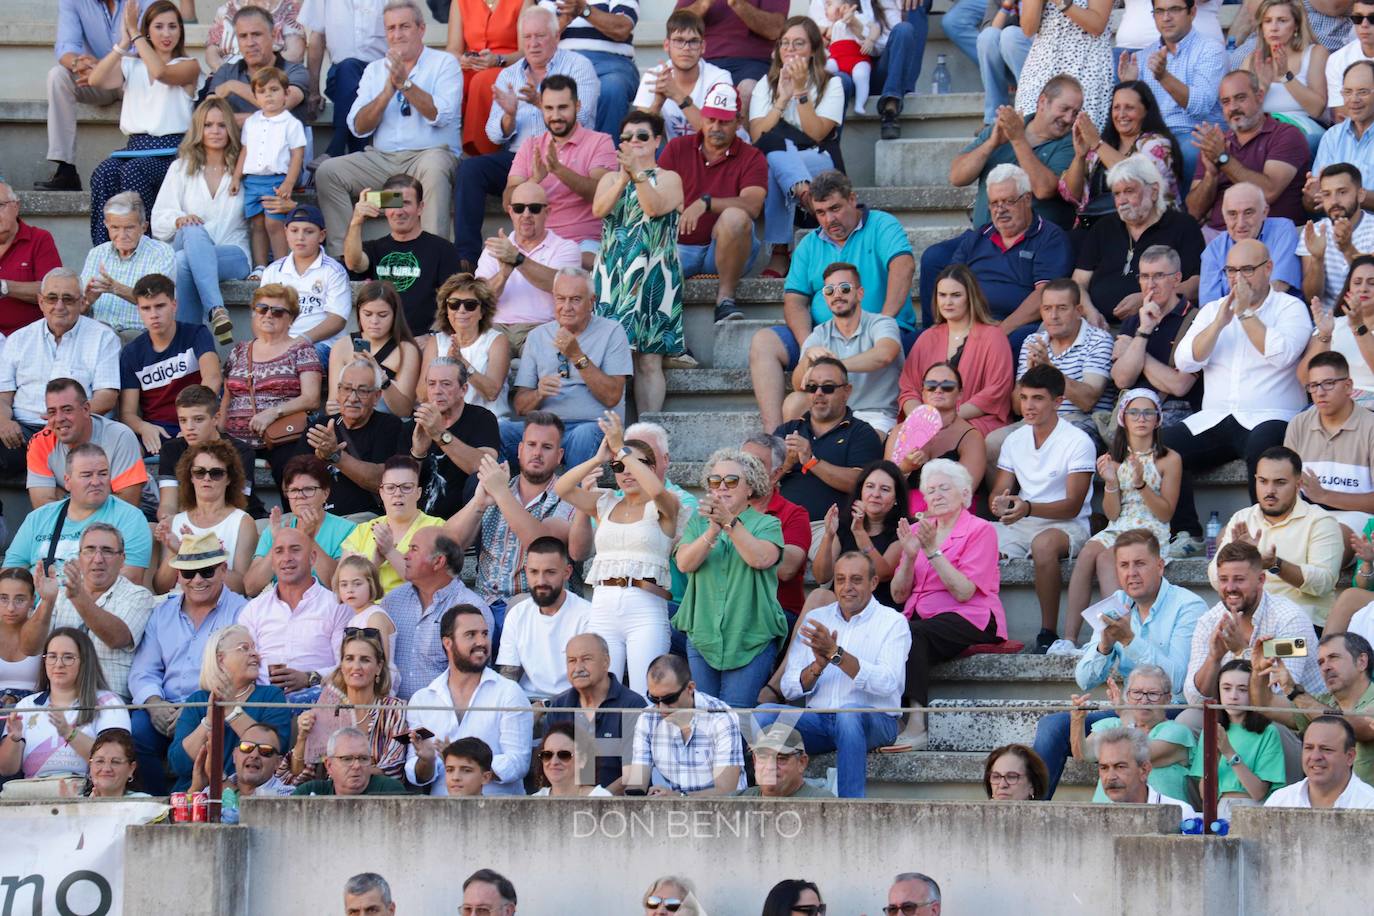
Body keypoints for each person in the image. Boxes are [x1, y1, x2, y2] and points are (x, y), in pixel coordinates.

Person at [1033, 529, 1206, 797]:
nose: (1131, 573)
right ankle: (1031, 810)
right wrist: (1104, 646)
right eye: (1124, 565)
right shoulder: (1116, 604)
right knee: (1052, 727)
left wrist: (1129, 640)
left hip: (1168, 711)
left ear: (1160, 566)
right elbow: (1084, 680)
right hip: (1127, 712)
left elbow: (1178, 680)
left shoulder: (1188, 606)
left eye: (1140, 564)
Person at [1165, 238, 1312, 551]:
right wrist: (1219, 323)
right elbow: (1185, 361)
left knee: (1263, 446)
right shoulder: (1213, 310)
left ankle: (1264, 538)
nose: (1238, 278)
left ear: (1268, 269)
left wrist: (1245, 314)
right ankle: (1186, 534)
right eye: (1231, 271)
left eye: (1247, 269)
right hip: (1216, 417)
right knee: (1163, 445)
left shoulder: (1290, 308)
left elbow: (1282, 355)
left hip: (1272, 415)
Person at [751, 170, 916, 432]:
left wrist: (881, 322)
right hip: (827, 336)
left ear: (852, 199)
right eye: (820, 212)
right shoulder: (809, 244)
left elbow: (903, 266)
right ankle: (774, 438)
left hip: (878, 330)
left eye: (835, 208)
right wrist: (810, 348)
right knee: (763, 342)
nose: (829, 219)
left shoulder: (881, 224)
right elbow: (794, 300)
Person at [451, 7, 601, 267]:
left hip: (566, 155)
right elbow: (494, 133)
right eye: (527, 37)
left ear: (556, 36)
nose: (533, 44)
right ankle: (466, 258)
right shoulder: (509, 74)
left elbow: (583, 116)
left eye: (540, 36)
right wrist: (509, 116)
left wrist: (540, 102)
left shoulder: (578, 65)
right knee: (470, 170)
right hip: (519, 157)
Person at [313, 0, 461, 257]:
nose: (397, 34)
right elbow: (358, 126)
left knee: (435, 167)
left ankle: (433, 261)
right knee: (328, 172)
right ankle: (344, 259)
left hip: (428, 157)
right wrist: (386, 94)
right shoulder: (374, 70)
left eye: (404, 26)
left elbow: (440, 115)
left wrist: (405, 85)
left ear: (422, 29)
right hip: (383, 165)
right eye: (391, 28)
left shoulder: (444, 63)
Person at [757, 550, 909, 796]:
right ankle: (765, 796)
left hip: (875, 722)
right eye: (840, 579)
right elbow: (788, 688)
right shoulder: (816, 618)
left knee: (848, 715)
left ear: (873, 583)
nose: (847, 587)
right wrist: (817, 667)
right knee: (763, 715)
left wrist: (837, 655)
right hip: (819, 722)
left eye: (856, 580)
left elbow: (888, 683)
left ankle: (850, 807)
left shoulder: (893, 622)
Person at [884, 459, 1004, 751]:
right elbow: (898, 595)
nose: (935, 495)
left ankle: (916, 723)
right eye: (930, 490)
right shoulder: (919, 531)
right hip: (921, 616)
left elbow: (964, 591)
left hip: (971, 616)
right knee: (887, 631)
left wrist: (931, 551)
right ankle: (888, 721)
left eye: (944, 488)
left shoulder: (980, 530)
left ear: (964, 494)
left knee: (913, 633)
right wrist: (909, 556)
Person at [554, 414, 678, 694]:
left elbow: (657, 490)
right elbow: (562, 488)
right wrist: (599, 458)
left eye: (636, 464)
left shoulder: (666, 504)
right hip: (603, 604)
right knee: (600, 692)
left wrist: (621, 448)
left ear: (652, 468)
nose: (627, 471)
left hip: (645, 606)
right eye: (619, 466)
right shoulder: (605, 502)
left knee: (645, 692)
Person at [127, 532, 246, 794]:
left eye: (207, 571)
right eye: (189, 573)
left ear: (223, 570)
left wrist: (196, 707)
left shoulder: (241, 611)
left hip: (211, 704)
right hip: (165, 705)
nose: (197, 580)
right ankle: (157, 803)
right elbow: (144, 670)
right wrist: (154, 704)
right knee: (137, 732)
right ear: (178, 575)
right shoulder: (161, 613)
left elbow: (240, 673)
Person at [989, 365, 1096, 652]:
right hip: (1024, 518)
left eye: (1038, 398)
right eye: (1024, 397)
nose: (1028, 406)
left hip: (1068, 525)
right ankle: (982, 629)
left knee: (1044, 545)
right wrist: (999, 504)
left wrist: (1027, 508)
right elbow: (1000, 490)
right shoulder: (1014, 439)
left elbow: (1073, 506)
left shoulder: (1078, 441)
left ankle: (1047, 632)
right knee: (974, 538)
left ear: (1058, 401)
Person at [673, 449, 787, 708]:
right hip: (702, 636)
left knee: (736, 717)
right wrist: (712, 531)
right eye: (715, 481)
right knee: (703, 717)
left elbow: (760, 558)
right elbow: (684, 563)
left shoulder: (767, 524)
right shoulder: (698, 524)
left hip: (751, 637)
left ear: (750, 488)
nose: (722, 487)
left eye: (731, 481)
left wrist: (729, 523)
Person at [85, 0, 202, 248]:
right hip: (135, 148)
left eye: (172, 26)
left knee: (134, 171)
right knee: (104, 173)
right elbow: (96, 79)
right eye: (159, 27)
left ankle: (145, 248)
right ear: (148, 31)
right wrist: (123, 42)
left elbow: (161, 73)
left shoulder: (188, 65)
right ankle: (104, 250)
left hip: (172, 152)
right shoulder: (131, 65)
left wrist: (135, 33)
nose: (166, 34)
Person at [1066, 391, 1181, 640]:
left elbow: (1165, 513)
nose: (1141, 418)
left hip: (1150, 527)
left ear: (1158, 420)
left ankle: (1118, 635)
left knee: (1107, 558)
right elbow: (1112, 513)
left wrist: (1140, 484)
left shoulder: (1169, 459)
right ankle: (1068, 639)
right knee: (1087, 554)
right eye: (1134, 413)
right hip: (1119, 524)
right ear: (1123, 418)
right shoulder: (1115, 459)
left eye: (1148, 412)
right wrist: (1110, 482)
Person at [592, 110, 686, 413]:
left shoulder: (670, 178)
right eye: (627, 137)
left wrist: (638, 174)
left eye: (642, 136)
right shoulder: (610, 178)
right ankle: (611, 429)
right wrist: (623, 178)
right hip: (614, 275)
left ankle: (648, 428)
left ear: (657, 141)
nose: (635, 141)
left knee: (648, 359)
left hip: (654, 274)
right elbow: (599, 210)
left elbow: (653, 207)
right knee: (611, 357)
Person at [658, 82, 768, 324]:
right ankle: (662, 333)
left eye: (724, 121)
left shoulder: (752, 156)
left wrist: (706, 203)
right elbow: (657, 195)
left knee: (736, 217)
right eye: (710, 119)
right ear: (702, 117)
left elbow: (752, 206)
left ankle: (725, 300)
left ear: (739, 121)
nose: (715, 127)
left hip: (726, 250)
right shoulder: (677, 147)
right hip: (680, 248)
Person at [503, 268, 633, 468]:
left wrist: (577, 355)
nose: (566, 307)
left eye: (575, 300)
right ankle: (503, 488)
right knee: (500, 431)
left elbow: (612, 396)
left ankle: (575, 490)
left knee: (584, 435)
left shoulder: (613, 332)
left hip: (592, 425)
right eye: (560, 299)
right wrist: (539, 394)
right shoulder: (537, 336)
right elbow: (520, 407)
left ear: (591, 301)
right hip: (546, 428)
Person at [446, 413, 575, 614]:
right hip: (484, 605)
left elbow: (543, 544)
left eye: (547, 447)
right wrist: (478, 504)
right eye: (531, 445)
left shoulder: (568, 495)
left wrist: (501, 493)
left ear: (559, 456)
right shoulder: (499, 487)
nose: (537, 453)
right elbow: (446, 545)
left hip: (535, 607)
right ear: (520, 450)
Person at [748, 17, 845, 278]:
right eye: (785, 43)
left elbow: (817, 133)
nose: (789, 49)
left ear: (813, 50)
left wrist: (801, 91)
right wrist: (781, 99)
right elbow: (757, 136)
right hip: (782, 160)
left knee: (774, 158)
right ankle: (803, 193)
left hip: (818, 157)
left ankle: (780, 252)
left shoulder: (831, 83)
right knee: (771, 149)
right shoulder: (765, 84)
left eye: (798, 43)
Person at [0, 269, 122, 477]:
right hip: (23, 431)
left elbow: (106, 398)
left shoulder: (103, 337)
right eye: (51, 298)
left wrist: (64, 419)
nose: (59, 306)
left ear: (82, 302)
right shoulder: (19, 339)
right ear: (41, 302)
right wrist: (4, 422)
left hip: (76, 431)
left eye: (68, 299)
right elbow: (3, 396)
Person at [17, 521, 155, 706]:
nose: (98, 559)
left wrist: (78, 596)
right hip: (59, 699)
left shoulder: (138, 595)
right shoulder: (58, 593)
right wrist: (47, 603)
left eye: (107, 551)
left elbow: (117, 638)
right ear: (79, 557)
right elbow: (29, 647)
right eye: (90, 550)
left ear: (122, 559)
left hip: (108, 703)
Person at [1207, 447, 1343, 630]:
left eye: (1280, 483)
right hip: (1247, 621)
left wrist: (1275, 565)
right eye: (1263, 481)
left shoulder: (1320, 521)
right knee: (1209, 629)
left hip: (1300, 624)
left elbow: (1323, 583)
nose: (1270, 491)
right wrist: (1238, 557)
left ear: (1298, 484)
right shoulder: (1242, 518)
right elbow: (1215, 578)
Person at [404, 604, 533, 795]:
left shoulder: (509, 693)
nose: (481, 641)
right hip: (442, 809)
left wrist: (458, 759)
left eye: (485, 634)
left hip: (498, 808)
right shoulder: (423, 699)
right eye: (471, 635)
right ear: (448, 643)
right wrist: (427, 761)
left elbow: (518, 763)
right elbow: (415, 773)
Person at [988, 279, 1114, 471]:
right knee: (992, 443)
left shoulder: (1099, 340)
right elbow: (1017, 408)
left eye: (1062, 308)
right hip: (1036, 419)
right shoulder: (1033, 341)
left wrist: (1049, 369)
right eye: (1047, 309)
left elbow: (1088, 401)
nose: (1053, 316)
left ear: (1078, 310)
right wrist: (1029, 377)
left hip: (1080, 421)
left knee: (1054, 443)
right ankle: (1005, 492)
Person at [149, 100, 247, 339]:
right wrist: (179, 220)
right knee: (191, 229)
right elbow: (159, 220)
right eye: (208, 125)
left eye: (222, 125)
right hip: (188, 240)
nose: (215, 131)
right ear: (198, 130)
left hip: (233, 253)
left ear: (231, 129)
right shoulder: (180, 168)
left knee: (183, 261)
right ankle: (216, 309)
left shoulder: (244, 168)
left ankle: (187, 343)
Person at [1185, 541, 1324, 706]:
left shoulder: (1290, 619)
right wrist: (1214, 659)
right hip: (1232, 713)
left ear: (1261, 580)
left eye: (1239, 579)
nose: (1230, 588)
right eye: (1223, 579)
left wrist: (1241, 650)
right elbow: (1195, 700)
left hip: (1297, 716)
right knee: (1188, 718)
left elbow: (1280, 694)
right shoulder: (1210, 621)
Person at [503, 74, 618, 272]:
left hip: (584, 243)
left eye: (563, 107)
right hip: (535, 242)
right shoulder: (530, 145)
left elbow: (602, 194)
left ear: (577, 106)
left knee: (571, 266)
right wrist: (534, 179)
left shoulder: (600, 142)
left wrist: (559, 170)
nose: (555, 115)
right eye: (549, 108)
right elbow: (507, 201)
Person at [1072, 155, 1205, 324]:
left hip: (1158, 324)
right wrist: (1090, 312)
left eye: (1129, 191)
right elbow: (1078, 282)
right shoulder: (1104, 227)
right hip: (1098, 326)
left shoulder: (1182, 226)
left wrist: (1147, 299)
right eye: (1117, 194)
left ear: (1154, 192)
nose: (1122, 201)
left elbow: (1196, 285)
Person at [40, 0, 155, 192]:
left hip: (134, 79)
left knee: (145, 70)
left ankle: (150, 159)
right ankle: (66, 169)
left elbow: (148, 50)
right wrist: (79, 64)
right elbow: (66, 48)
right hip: (93, 80)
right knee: (57, 76)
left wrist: (102, 66)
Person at [947, 75, 1081, 235]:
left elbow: (1044, 190)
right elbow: (957, 177)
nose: (1069, 119)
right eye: (1064, 109)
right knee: (936, 251)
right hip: (983, 237)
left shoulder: (1071, 143)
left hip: (1034, 241)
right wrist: (991, 144)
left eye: (1075, 113)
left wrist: (1017, 139)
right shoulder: (1005, 128)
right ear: (1043, 101)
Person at [773, 357, 885, 548]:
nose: (818, 393)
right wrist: (787, 464)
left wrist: (811, 461)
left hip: (832, 529)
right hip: (782, 525)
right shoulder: (787, 429)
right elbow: (759, 483)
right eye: (812, 387)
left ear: (847, 391)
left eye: (828, 388)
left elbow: (861, 483)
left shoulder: (862, 433)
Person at [3, 444, 153, 584]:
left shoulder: (130, 517)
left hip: (96, 602)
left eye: (103, 474)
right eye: (87, 475)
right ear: (67, 481)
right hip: (37, 601)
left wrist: (71, 595)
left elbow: (130, 579)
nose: (96, 482)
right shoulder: (38, 517)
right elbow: (10, 574)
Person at [221, 283, 323, 488]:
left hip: (283, 438)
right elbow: (227, 395)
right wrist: (220, 430)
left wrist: (272, 413)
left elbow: (311, 399)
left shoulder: (301, 350)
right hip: (236, 440)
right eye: (262, 308)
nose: (268, 315)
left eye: (277, 311)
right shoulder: (239, 350)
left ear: (291, 319)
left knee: (293, 476)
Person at [1185, 70, 1310, 236]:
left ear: (1259, 96)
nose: (1233, 107)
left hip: (1269, 234)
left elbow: (1268, 193)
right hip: (1219, 236)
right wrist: (1211, 175)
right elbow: (1193, 212)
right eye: (1226, 102)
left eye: (1240, 98)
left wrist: (1223, 159)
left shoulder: (1286, 134)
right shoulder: (1217, 143)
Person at [168, 624, 292, 791]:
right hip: (197, 794)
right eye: (244, 648)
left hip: (252, 795)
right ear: (220, 659)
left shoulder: (271, 696)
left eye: (254, 648)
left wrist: (231, 711)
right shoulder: (198, 700)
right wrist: (208, 722)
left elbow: (276, 749)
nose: (255, 653)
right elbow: (178, 764)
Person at [783, 262, 902, 435]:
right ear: (825, 298)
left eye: (845, 288)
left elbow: (884, 355)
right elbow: (798, 384)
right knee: (794, 401)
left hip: (876, 415)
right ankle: (793, 452)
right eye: (830, 290)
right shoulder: (820, 333)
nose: (837, 295)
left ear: (860, 293)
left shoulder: (882, 323)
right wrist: (808, 358)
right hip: (833, 413)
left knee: (865, 440)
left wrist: (834, 367)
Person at [1118, 0, 1227, 183]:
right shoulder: (1143, 57)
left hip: (1193, 133)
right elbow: (1136, 116)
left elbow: (1200, 106)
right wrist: (1130, 85)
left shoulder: (1211, 50)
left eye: (1174, 10)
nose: (1166, 18)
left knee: (1184, 153)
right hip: (1154, 136)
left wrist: (1163, 76)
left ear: (1192, 12)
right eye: (1159, 11)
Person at [239, 526, 352, 702]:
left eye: (295, 549)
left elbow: (348, 666)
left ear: (312, 558)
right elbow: (241, 664)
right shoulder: (254, 609)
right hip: (264, 703)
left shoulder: (337, 606)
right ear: (272, 561)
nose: (287, 558)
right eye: (279, 551)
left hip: (319, 701)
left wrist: (309, 678)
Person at [0, 628, 130, 781]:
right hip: (35, 790)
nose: (58, 664)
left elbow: (114, 760)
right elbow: (6, 769)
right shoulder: (27, 705)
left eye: (68, 657)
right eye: (52, 656)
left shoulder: (109, 702)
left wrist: (69, 733)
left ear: (85, 661)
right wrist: (14, 739)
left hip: (88, 790)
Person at [1059, 81, 1184, 236]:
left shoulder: (1156, 144)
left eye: (1129, 107)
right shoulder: (1101, 147)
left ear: (1146, 111)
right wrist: (1080, 156)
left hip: (1149, 230)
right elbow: (1070, 194)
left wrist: (1097, 143)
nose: (1121, 114)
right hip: (1096, 229)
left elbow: (1135, 179)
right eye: (1116, 107)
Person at [342, 175, 463, 335]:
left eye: (406, 203)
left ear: (420, 207)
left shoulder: (442, 249)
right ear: (385, 209)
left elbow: (455, 301)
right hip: (380, 338)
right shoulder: (374, 248)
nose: (398, 212)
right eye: (393, 203)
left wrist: (432, 337)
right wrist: (356, 221)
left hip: (421, 338)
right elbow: (353, 263)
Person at [471, 185, 582, 354]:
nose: (526, 214)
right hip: (495, 327)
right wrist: (503, 275)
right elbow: (479, 298)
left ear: (547, 212)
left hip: (542, 327)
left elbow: (563, 285)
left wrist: (518, 260)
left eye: (534, 208)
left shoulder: (566, 248)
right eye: (519, 208)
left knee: (544, 360)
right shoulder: (495, 248)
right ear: (510, 212)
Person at [903, 268, 1014, 438]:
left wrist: (946, 418)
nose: (948, 302)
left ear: (970, 297)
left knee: (946, 437)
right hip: (928, 423)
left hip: (976, 421)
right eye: (942, 295)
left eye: (956, 295)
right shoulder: (927, 337)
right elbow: (908, 388)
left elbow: (997, 390)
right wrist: (921, 419)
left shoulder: (993, 336)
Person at [118, 273, 221, 453]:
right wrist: (143, 427)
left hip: (196, 423)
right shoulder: (132, 352)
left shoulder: (197, 334)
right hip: (157, 429)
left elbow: (212, 378)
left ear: (174, 305)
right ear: (139, 310)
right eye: (146, 308)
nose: (154, 315)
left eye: (160, 306)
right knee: (127, 451)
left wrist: (190, 423)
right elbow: (128, 413)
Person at [383, 528, 490, 700]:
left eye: (414, 549)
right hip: (392, 713)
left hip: (443, 713)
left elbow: (476, 676)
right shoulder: (393, 601)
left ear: (438, 561)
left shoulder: (472, 610)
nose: (405, 556)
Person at [1253, 632, 1374, 783]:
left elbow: (1356, 727)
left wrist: (1294, 692)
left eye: (1334, 657)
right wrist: (1259, 671)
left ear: (1362, 661)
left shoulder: (1311, 703)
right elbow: (1266, 704)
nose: (1325, 667)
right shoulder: (1319, 702)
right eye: (1321, 662)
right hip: (1327, 796)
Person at [288, 628, 406, 783]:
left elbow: (394, 769)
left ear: (378, 667)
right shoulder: (327, 709)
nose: (356, 666)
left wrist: (346, 773)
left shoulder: (393, 709)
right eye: (349, 659)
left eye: (365, 660)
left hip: (377, 794)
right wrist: (302, 738)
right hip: (330, 794)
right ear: (342, 665)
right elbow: (297, 776)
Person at [1109, 246, 1203, 430]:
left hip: (1176, 412)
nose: (1150, 284)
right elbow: (1122, 379)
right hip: (1132, 409)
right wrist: (1144, 330)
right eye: (1144, 276)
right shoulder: (1134, 319)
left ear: (1177, 279)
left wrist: (1135, 350)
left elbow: (1179, 386)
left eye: (1159, 276)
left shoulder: (1197, 320)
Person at [1071, 665, 1196, 804]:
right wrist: (1077, 720)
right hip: (1106, 812)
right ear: (1127, 696)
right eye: (1137, 692)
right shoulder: (1110, 725)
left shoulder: (1176, 731)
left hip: (1161, 813)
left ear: (1168, 699)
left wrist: (1125, 715)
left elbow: (1137, 754)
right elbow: (1084, 754)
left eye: (1153, 694)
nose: (1144, 700)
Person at [625, 653, 746, 795]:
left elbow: (726, 791)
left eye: (669, 699)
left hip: (726, 808)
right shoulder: (647, 718)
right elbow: (637, 782)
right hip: (674, 806)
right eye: (654, 699)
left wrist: (678, 798)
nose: (661, 708)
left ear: (690, 688)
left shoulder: (722, 717)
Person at [545, 631, 648, 791]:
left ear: (606, 662)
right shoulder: (559, 706)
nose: (578, 668)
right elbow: (549, 766)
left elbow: (635, 774)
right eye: (572, 661)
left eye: (586, 659)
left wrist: (597, 800)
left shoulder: (632, 705)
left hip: (619, 804)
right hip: (569, 802)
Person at [307, 359, 407, 521]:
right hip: (316, 515)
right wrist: (318, 460)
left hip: (364, 518)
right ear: (338, 392)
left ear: (377, 396)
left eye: (363, 391)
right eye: (347, 389)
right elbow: (290, 481)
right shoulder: (319, 426)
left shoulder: (389, 426)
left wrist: (335, 455)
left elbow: (383, 481)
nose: (353, 398)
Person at [1286, 351, 1374, 534]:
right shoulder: (1299, 424)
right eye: (1313, 385)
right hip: (1305, 517)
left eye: (1328, 383)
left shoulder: (1370, 426)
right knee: (1232, 531)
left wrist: (1324, 496)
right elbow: (1286, 486)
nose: (1320, 392)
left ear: (1348, 386)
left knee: (1326, 535)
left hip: (1360, 518)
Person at [231, 66, 307, 274]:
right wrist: (237, 177)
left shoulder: (291, 123)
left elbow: (297, 155)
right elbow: (245, 151)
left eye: (274, 90)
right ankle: (260, 267)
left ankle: (281, 266)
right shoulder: (252, 122)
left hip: (276, 180)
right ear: (255, 96)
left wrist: (289, 182)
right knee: (257, 225)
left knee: (274, 223)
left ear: (286, 93)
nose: (268, 95)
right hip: (252, 180)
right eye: (262, 91)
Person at [29, 378, 148, 509]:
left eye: (67, 410)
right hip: (83, 516)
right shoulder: (40, 442)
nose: (59, 419)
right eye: (52, 412)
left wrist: (68, 498)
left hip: (142, 512)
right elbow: (43, 507)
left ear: (86, 409)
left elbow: (127, 506)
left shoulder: (120, 436)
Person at [495, 537, 591, 699]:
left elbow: (590, 682)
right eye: (534, 572)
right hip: (526, 702)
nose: (541, 581)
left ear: (567, 572)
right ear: (526, 571)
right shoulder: (517, 614)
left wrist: (546, 706)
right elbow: (508, 676)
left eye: (550, 572)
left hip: (573, 704)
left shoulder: (587, 615)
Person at [409, 357, 502, 519]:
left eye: (446, 384)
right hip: (415, 520)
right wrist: (417, 454)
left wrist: (440, 434)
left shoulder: (482, 418)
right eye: (431, 384)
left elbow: (484, 466)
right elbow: (399, 484)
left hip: (461, 522)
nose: (437, 391)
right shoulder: (415, 424)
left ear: (463, 390)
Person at [244, 455, 351, 596]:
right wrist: (277, 544)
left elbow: (339, 586)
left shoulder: (347, 530)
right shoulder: (276, 529)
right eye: (294, 490)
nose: (300, 496)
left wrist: (309, 539)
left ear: (325, 493)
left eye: (309, 489)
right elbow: (251, 588)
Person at [889, 362, 989, 511]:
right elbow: (886, 483)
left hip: (951, 513)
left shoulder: (971, 437)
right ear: (923, 392)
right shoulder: (901, 430)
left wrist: (922, 518)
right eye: (931, 385)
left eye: (947, 386)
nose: (938, 390)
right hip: (903, 512)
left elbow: (964, 491)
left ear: (960, 394)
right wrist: (905, 468)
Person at [1190, 659, 1288, 810]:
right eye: (1226, 688)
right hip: (1220, 808)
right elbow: (1206, 795)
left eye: (1243, 689)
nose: (1233, 696)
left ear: (1254, 691)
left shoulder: (1268, 732)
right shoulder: (1211, 730)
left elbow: (1258, 793)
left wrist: (1229, 752)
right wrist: (1215, 757)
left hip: (1253, 809)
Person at [810, 459, 908, 611]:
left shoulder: (904, 527)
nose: (875, 494)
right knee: (819, 595)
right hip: (843, 602)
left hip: (879, 608)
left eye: (885, 489)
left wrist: (859, 532)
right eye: (870, 486)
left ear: (896, 498)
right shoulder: (844, 524)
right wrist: (828, 536)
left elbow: (883, 574)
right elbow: (821, 577)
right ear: (861, 491)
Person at [158, 384, 264, 523]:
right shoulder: (171, 450)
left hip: (238, 520)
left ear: (216, 418)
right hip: (188, 520)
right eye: (183, 420)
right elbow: (168, 504)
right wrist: (167, 520)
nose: (189, 427)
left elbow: (236, 503)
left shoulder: (241, 451)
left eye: (198, 419)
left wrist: (202, 527)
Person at [258, 204, 352, 360]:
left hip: (321, 344)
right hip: (279, 343)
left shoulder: (334, 271)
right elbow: (260, 314)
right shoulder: (273, 271)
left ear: (321, 235)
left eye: (309, 232)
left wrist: (301, 340)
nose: (300, 237)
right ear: (285, 233)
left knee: (298, 359)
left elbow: (337, 320)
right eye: (294, 231)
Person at [341, 456, 444, 594]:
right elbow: (342, 589)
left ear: (418, 493)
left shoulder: (436, 527)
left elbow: (432, 583)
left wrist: (390, 551)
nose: (398, 493)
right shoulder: (362, 531)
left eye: (406, 487)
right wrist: (373, 564)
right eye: (390, 488)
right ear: (381, 492)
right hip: (369, 605)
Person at [81, 192, 177, 339]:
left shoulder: (161, 252)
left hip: (140, 334)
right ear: (106, 225)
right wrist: (87, 301)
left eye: (129, 228)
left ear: (144, 227)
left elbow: (157, 300)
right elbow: (80, 310)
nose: (122, 235)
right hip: (98, 334)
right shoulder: (97, 253)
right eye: (115, 227)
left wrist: (115, 288)